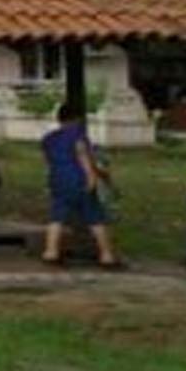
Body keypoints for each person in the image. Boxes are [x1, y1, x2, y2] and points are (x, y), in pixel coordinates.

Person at [39, 104, 121, 269]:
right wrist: (92, 177)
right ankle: (107, 256)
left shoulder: (48, 138)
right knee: (95, 217)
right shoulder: (77, 135)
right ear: (76, 119)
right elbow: (82, 155)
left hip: (58, 179)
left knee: (57, 216)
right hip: (78, 178)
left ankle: (51, 252)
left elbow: (49, 161)